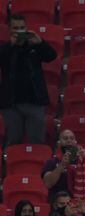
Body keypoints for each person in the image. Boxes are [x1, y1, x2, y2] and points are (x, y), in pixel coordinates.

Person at [0, 15, 58, 144]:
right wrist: (11, 45)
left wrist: (41, 42)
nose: (19, 31)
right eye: (16, 28)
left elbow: (51, 56)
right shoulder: (5, 48)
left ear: (26, 28)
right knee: (14, 141)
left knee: (36, 141)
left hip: (34, 101)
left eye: (22, 28)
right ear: (9, 30)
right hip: (11, 103)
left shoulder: (34, 46)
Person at [41, 129, 85, 200]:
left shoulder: (82, 161)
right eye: (65, 138)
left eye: (71, 138)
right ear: (59, 143)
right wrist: (62, 165)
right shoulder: (52, 162)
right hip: (58, 203)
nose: (69, 140)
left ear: (75, 142)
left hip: (79, 202)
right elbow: (48, 183)